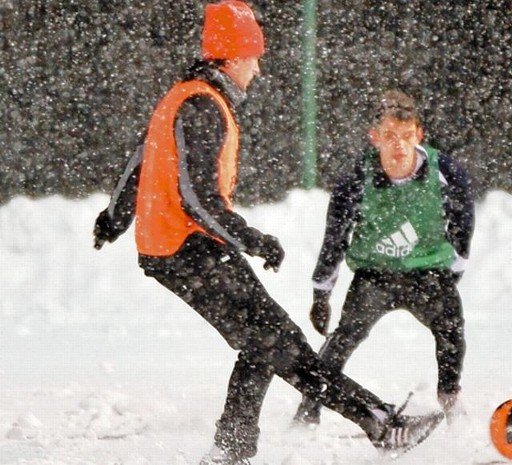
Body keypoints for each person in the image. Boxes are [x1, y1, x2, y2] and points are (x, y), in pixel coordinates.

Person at [92, 3, 443, 464]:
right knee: (279, 344)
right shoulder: (202, 105)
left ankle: (233, 450)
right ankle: (379, 423)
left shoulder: (183, 97)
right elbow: (196, 200)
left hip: (185, 248)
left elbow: (141, 159)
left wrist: (115, 218)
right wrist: (252, 239)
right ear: (233, 57)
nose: (258, 69)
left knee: (268, 341)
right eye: (254, 57)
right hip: (187, 250)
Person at [293, 89, 475, 428]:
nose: (399, 145)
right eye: (389, 136)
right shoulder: (355, 180)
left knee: (451, 329)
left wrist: (454, 270)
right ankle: (309, 408)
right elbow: (334, 239)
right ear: (374, 137)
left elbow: (463, 223)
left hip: (427, 271)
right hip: (374, 275)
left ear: (419, 134)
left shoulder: (445, 171)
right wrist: (321, 293)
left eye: (407, 136)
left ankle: (450, 398)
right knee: (343, 339)